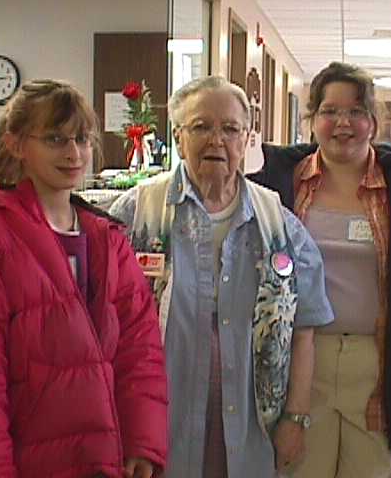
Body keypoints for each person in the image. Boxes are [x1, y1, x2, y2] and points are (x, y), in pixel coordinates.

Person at [0, 79, 167, 478]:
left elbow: (140, 351)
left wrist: (142, 442)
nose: (73, 153)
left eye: (82, 139)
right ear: (16, 144)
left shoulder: (108, 240)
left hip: (108, 461)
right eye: (55, 139)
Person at [109, 76, 334, 477]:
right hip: (158, 426)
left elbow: (304, 331)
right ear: (178, 138)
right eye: (201, 127)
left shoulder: (278, 224)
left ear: (246, 139)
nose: (216, 140)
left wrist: (295, 419)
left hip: (252, 428)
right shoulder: (136, 215)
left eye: (230, 129)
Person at [269, 62, 391, 478]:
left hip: (382, 367)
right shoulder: (280, 187)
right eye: (330, 111)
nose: (342, 123)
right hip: (300, 366)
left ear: (374, 123)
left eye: (356, 112)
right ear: (312, 120)